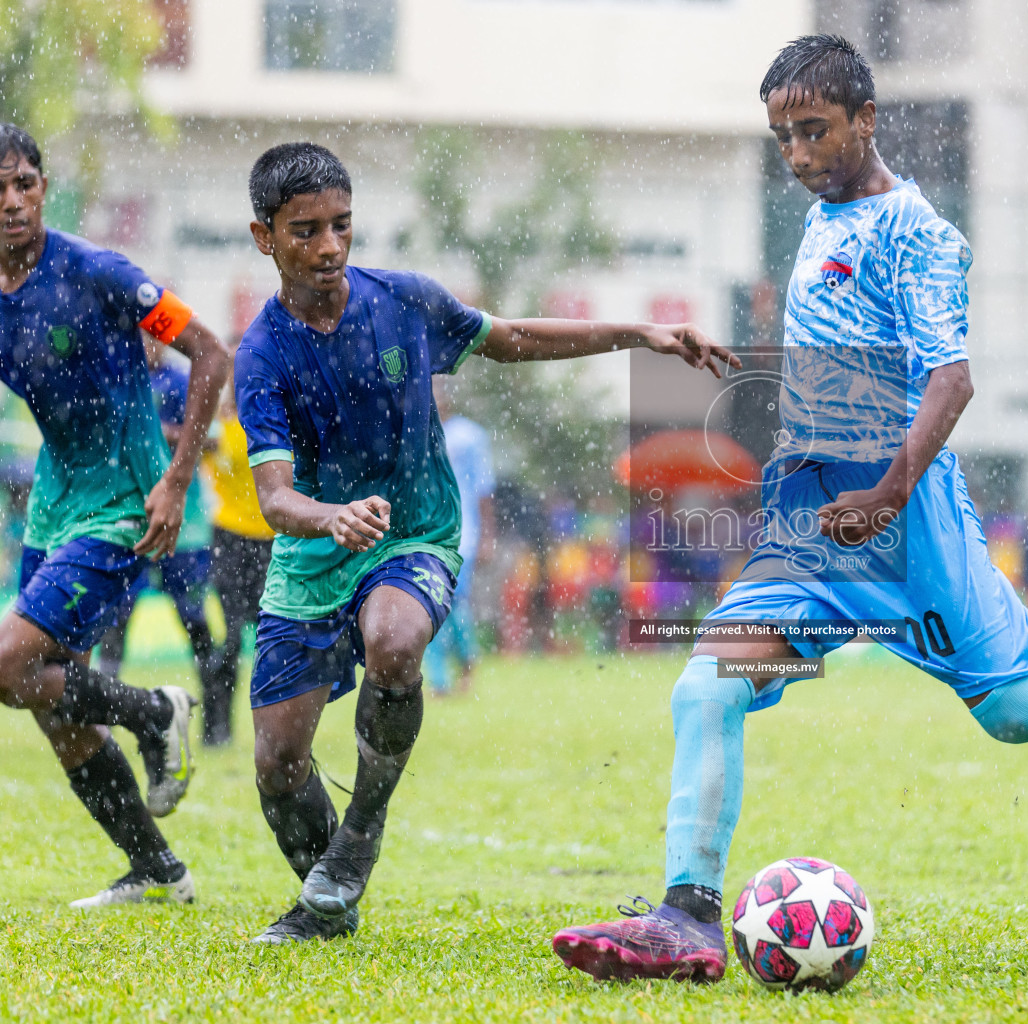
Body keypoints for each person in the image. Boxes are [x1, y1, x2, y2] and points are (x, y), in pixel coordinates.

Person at [551, 37, 1028, 983]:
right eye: (783, 135)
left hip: (905, 527)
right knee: (706, 688)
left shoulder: (919, 233)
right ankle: (688, 915)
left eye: (815, 130)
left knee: (1023, 709)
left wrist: (888, 491)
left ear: (868, 120)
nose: (798, 153)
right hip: (816, 533)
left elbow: (953, 381)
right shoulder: (822, 218)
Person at [234, 142, 739, 944]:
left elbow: (515, 338)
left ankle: (361, 831)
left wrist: (639, 333)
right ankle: (325, 901)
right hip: (311, 560)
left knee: (396, 640)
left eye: (342, 225)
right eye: (306, 232)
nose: (330, 246)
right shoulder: (261, 356)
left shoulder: (404, 303)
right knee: (277, 768)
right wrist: (329, 516)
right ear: (265, 238)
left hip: (416, 537)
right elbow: (275, 498)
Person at [0, 123, 229, 907]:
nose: (12, 201)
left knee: (9, 665)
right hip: (56, 504)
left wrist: (176, 478)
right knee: (45, 699)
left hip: (128, 499)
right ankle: (157, 872)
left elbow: (210, 351)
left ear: (43, 187)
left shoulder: (95, 272)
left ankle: (157, 708)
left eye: (24, 182)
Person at [96, 339, 220, 723]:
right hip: (127, 520)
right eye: (140, 335)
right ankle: (101, 716)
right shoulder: (117, 379)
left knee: (194, 619)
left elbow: (211, 441)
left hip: (184, 527)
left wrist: (153, 431)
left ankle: (216, 721)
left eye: (154, 336)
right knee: (116, 618)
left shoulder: (184, 380)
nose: (147, 345)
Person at [203, 385, 276, 743]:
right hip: (230, 540)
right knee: (230, 639)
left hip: (272, 541)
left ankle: (275, 730)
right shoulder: (216, 426)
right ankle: (217, 728)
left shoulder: (270, 418)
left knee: (274, 639)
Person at [422, 380, 494, 695]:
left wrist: (489, 535)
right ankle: (439, 681)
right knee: (428, 602)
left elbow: (484, 490)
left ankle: (466, 661)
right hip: (426, 533)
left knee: (452, 604)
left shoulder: (470, 436)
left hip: (464, 533)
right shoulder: (418, 437)